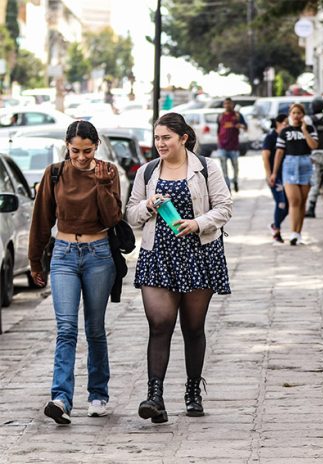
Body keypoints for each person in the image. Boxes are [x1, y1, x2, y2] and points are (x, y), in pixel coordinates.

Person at [126, 112, 233, 423]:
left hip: (199, 254)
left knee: (193, 327)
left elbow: (224, 207)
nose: (160, 143)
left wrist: (197, 223)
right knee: (159, 324)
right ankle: (154, 397)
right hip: (157, 255)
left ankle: (192, 391)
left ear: (183, 138)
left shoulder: (206, 168)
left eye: (166, 138)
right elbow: (131, 214)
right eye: (157, 138)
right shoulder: (146, 172)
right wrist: (147, 205)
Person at [29, 120, 122, 424]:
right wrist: (34, 261)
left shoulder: (107, 171)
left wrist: (103, 185)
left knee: (95, 329)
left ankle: (98, 395)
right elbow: (41, 220)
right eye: (75, 151)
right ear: (67, 147)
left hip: (99, 256)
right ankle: (61, 398)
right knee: (66, 329)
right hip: (64, 256)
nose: (82, 157)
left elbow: (111, 218)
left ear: (96, 147)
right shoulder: (54, 173)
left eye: (88, 150)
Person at [270, 103, 318, 246]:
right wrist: (273, 173)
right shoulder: (285, 132)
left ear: (303, 115)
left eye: (299, 113)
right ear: (290, 115)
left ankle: (298, 233)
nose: (296, 115)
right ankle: (292, 233)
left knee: (303, 201)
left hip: (306, 165)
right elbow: (279, 152)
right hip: (289, 166)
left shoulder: (309, 129)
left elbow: (313, 146)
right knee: (294, 200)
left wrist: (304, 130)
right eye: (294, 113)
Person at [262, 114, 289, 243]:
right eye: (285, 123)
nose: (287, 125)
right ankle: (277, 232)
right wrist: (269, 174)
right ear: (278, 123)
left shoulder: (287, 136)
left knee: (288, 205)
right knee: (281, 203)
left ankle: (274, 225)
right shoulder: (271, 137)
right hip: (275, 176)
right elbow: (265, 157)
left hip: (287, 175)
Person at [216, 97, 247, 192]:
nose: (227, 105)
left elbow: (245, 126)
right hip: (222, 146)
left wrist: (240, 126)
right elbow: (218, 130)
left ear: (232, 104)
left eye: (229, 103)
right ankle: (227, 187)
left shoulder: (237, 115)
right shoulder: (220, 116)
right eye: (225, 103)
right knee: (224, 169)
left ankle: (235, 181)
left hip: (233, 146)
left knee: (235, 167)